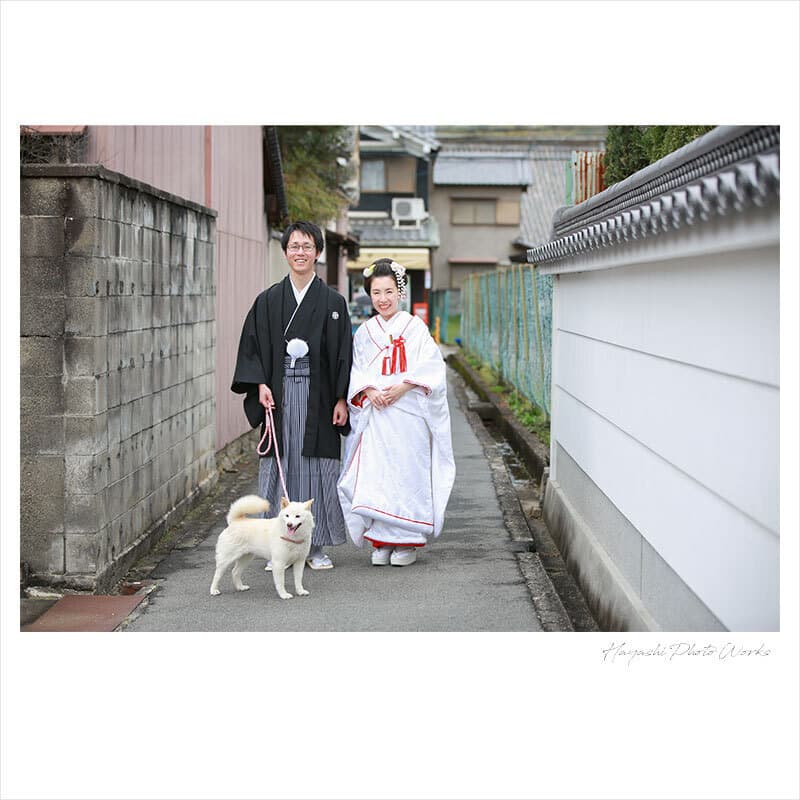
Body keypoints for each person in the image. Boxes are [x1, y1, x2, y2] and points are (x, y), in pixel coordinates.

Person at [231, 221, 352, 569]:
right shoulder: (268, 300)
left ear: (317, 252)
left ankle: (316, 549)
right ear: (285, 252)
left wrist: (341, 398)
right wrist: (260, 385)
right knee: (278, 467)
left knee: (319, 469)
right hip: (279, 397)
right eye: (294, 246)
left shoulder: (333, 302)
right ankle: (276, 549)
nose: (300, 252)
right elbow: (252, 349)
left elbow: (344, 354)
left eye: (307, 246)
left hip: (321, 399)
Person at [337, 259, 455, 566]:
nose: (383, 299)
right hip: (377, 416)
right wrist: (370, 391)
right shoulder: (364, 332)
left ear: (399, 293)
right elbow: (357, 370)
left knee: (406, 473)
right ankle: (380, 541)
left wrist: (403, 386)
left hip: (408, 413)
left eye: (389, 291)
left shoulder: (415, 328)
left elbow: (431, 368)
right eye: (376, 292)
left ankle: (407, 542)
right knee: (378, 474)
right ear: (369, 295)